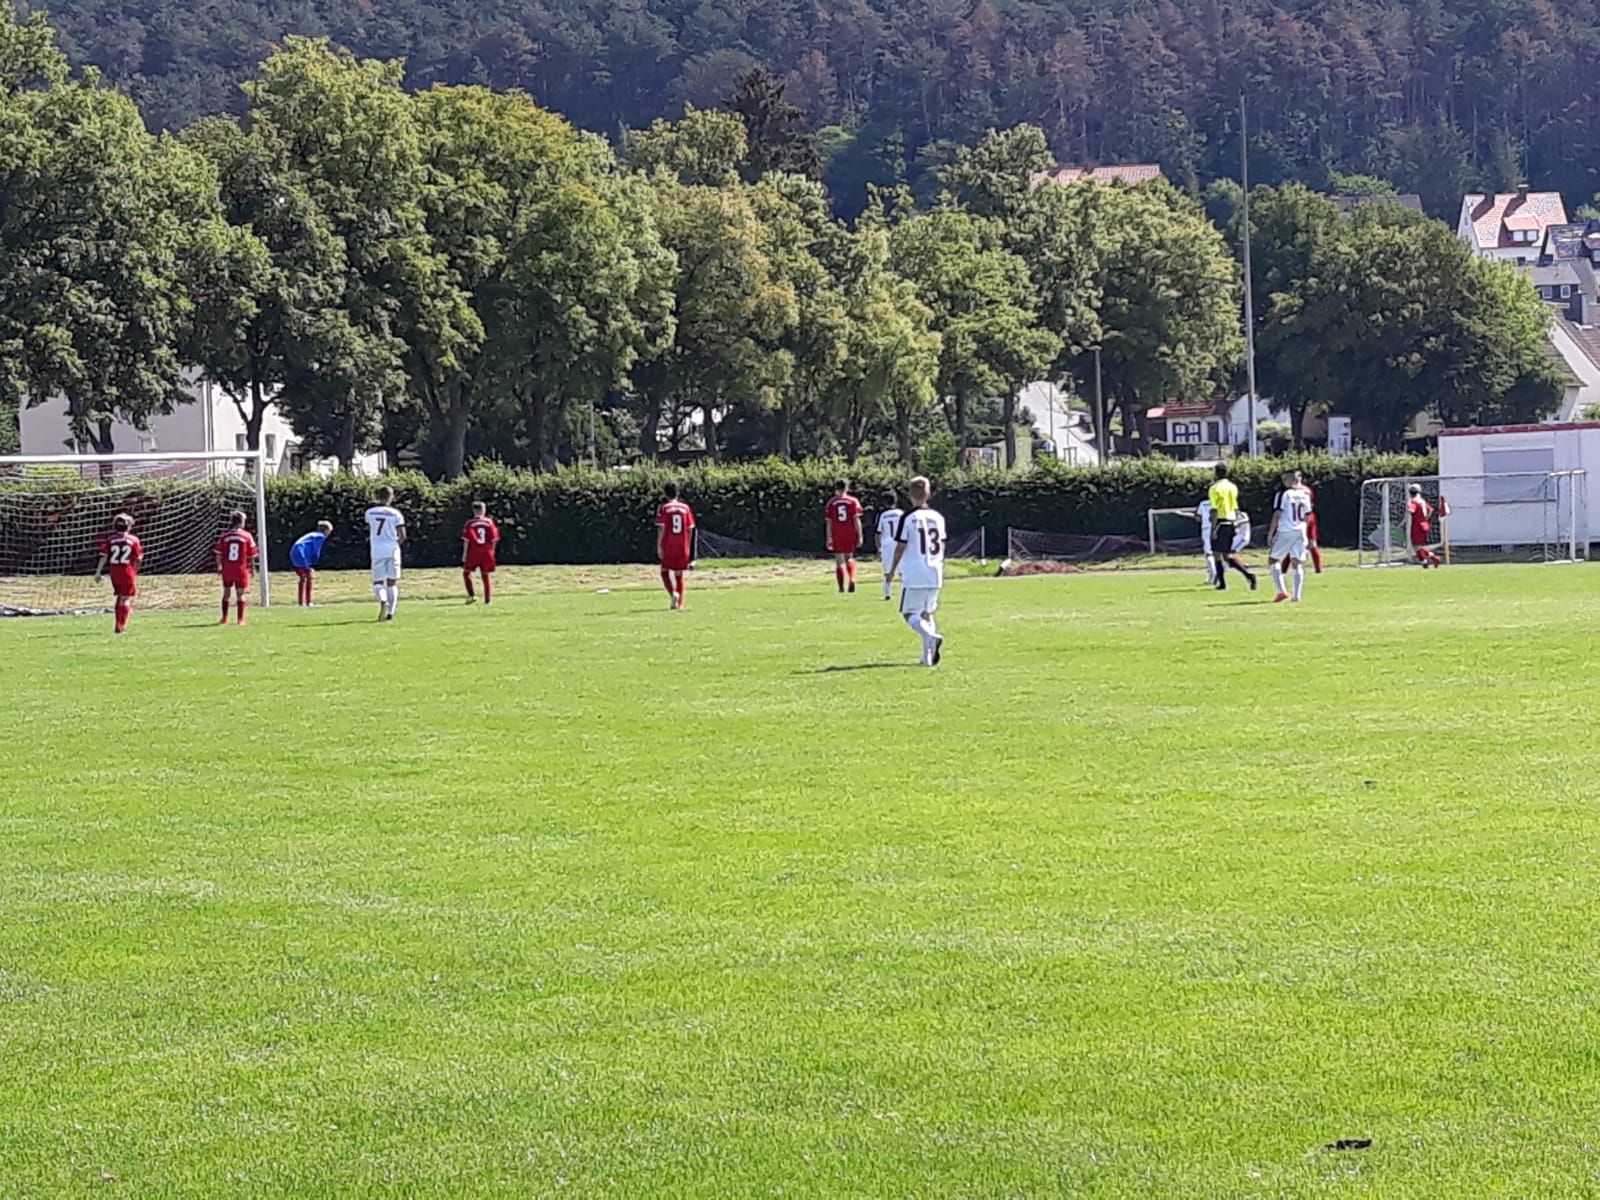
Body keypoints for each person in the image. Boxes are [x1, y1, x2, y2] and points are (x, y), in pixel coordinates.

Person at [886, 475, 946, 667]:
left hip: (915, 571)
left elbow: (900, 547)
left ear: (910, 495)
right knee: (927, 613)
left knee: (909, 613)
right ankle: (926, 657)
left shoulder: (908, 518)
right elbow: (942, 544)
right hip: (935, 570)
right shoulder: (938, 517)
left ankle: (930, 636)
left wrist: (892, 570)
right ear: (928, 494)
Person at [1207, 462, 1257, 592]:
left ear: (1216, 473)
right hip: (1231, 522)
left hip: (1221, 522)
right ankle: (1248, 575)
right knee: (1227, 555)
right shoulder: (1232, 487)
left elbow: (1214, 509)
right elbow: (1235, 506)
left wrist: (1213, 529)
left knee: (1217, 554)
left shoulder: (1214, 488)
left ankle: (1223, 583)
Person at [1267, 469, 1314, 603]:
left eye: (1285, 479)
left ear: (1291, 480)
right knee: (1297, 562)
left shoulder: (1283, 494)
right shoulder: (1305, 494)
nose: (1283, 482)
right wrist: (1307, 532)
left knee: (1273, 559)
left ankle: (1282, 591)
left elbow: (1277, 514)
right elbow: (1308, 516)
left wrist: (1271, 533)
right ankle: (1296, 596)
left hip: (1286, 530)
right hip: (1300, 530)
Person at [92, 513, 143, 635]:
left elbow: (103, 556)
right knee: (126, 598)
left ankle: (117, 624)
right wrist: (135, 571)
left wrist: (98, 572)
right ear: (129, 526)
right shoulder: (134, 540)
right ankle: (121, 627)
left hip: (114, 570)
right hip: (127, 570)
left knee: (119, 597)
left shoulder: (110, 540)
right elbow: (138, 558)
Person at [365, 485, 407, 621]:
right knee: (392, 583)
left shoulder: (370, 512)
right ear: (391, 497)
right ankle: (390, 613)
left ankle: (383, 600)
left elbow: (371, 528)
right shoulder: (396, 514)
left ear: (378, 496)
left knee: (377, 582)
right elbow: (402, 535)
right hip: (392, 549)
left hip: (377, 550)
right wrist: (395, 544)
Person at [213, 511, 260, 625]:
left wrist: (219, 566)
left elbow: (218, 553)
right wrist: (253, 569)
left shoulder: (224, 536)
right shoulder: (247, 536)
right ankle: (240, 620)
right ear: (241, 522)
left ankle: (224, 618)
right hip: (240, 569)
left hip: (227, 568)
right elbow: (252, 555)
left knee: (226, 593)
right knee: (241, 594)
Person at [655, 482, 696, 610]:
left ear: (665, 494)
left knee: (664, 571)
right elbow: (690, 529)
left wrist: (659, 546)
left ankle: (673, 594)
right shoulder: (685, 508)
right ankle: (680, 604)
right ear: (677, 493)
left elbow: (661, 528)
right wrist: (688, 546)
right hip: (682, 544)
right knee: (679, 574)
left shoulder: (664, 508)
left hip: (668, 544)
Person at [825, 478, 864, 594]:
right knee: (849, 558)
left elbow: (829, 522)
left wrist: (829, 537)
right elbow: (856, 520)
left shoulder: (832, 503)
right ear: (847, 488)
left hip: (837, 532)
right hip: (850, 532)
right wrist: (860, 535)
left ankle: (841, 587)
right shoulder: (853, 501)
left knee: (839, 561)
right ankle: (852, 579)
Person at [461, 501, 501, 605]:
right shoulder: (489, 522)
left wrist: (464, 554)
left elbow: (466, 540)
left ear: (474, 510)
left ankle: (472, 595)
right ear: (483, 510)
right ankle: (488, 600)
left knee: (466, 573)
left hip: (473, 551)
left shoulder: (470, 523)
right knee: (485, 575)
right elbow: (494, 539)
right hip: (486, 552)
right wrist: (492, 552)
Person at [290, 521, 334, 607]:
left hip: (294, 551)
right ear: (326, 530)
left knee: (303, 577)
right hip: (300, 552)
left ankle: (301, 602)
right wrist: (315, 561)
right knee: (310, 575)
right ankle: (309, 602)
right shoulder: (320, 536)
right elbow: (316, 550)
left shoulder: (313, 534)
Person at [876, 489, 904, 601]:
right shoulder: (901, 514)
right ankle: (904, 592)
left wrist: (879, 548)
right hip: (900, 543)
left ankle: (887, 593)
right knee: (903, 570)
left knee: (888, 571)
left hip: (887, 544)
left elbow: (878, 532)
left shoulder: (883, 515)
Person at [1407, 483, 1442, 567]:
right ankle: (1424, 562)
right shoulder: (1422, 501)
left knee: (1416, 546)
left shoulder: (1414, 501)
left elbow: (1411, 510)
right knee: (1420, 546)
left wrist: (1408, 506)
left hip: (1417, 525)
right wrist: (1426, 518)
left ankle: (1434, 558)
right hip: (1424, 524)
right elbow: (1430, 509)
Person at [1194, 496, 1217, 585]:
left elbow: (1198, 517)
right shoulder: (1219, 502)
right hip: (1218, 528)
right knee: (1216, 552)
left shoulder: (1203, 503)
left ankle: (1213, 573)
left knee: (1208, 553)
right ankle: (1215, 573)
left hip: (1206, 529)